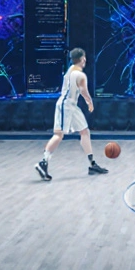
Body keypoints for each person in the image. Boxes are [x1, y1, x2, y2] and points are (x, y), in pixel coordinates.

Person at [36, 48, 108, 181]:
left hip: (71, 106)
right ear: (83, 59)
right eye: (84, 57)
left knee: (85, 132)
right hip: (66, 105)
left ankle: (92, 164)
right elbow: (84, 92)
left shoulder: (70, 70)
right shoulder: (80, 75)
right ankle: (43, 162)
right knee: (58, 135)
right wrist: (90, 103)